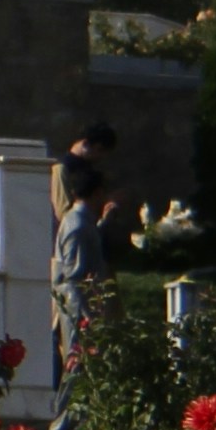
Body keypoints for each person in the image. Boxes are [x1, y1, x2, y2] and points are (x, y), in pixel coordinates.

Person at [49, 122, 129, 376]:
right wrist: (102, 213)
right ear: (88, 145)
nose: (100, 158)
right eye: (99, 151)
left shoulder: (89, 170)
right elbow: (65, 213)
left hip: (93, 253)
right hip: (74, 259)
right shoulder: (63, 169)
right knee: (74, 340)